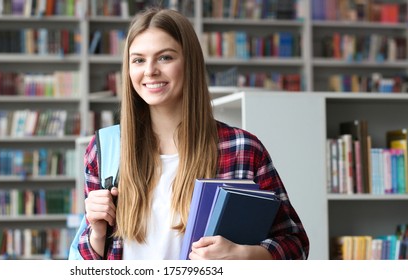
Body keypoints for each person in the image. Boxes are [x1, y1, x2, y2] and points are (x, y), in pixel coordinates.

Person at [78, 7, 309, 260]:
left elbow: (295, 244)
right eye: (138, 60)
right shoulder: (105, 149)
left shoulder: (242, 148)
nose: (150, 70)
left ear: (190, 62)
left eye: (165, 57)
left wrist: (244, 256)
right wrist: (97, 234)